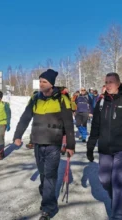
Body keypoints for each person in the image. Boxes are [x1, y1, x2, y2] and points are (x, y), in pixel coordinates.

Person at [13, 69, 75, 220]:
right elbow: (25, 117)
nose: (41, 84)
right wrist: (18, 135)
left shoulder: (62, 98)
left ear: (51, 84)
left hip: (54, 143)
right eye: (40, 81)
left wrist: (71, 145)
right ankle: (47, 197)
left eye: (44, 82)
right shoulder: (35, 98)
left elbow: (68, 123)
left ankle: (48, 209)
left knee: (49, 175)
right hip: (38, 143)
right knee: (43, 174)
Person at [87, 72, 122, 220]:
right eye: (106, 82)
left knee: (119, 182)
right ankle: (117, 198)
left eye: (111, 82)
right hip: (105, 149)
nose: (108, 85)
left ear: (118, 84)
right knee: (105, 180)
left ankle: (118, 215)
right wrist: (90, 146)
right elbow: (95, 127)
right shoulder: (100, 103)